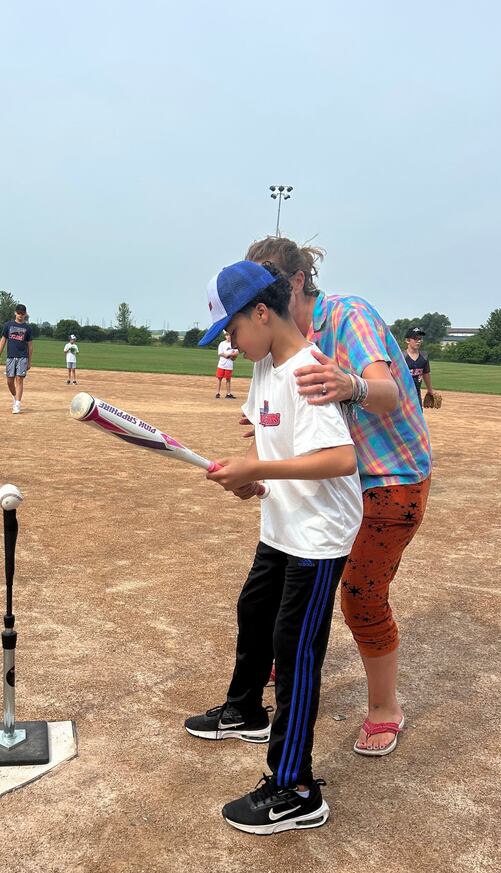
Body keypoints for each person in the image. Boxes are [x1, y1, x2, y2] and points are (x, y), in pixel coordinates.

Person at [185, 261, 363, 834]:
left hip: (318, 535)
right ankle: (245, 710)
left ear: (261, 312)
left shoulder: (306, 370)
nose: (231, 345)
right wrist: (254, 480)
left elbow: (339, 459)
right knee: (253, 612)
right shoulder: (266, 366)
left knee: (296, 651)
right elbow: (274, 442)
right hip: (282, 522)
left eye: (232, 330)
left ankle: (295, 788)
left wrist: (259, 466)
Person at [242, 236, 432, 757]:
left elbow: (392, 395)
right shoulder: (281, 342)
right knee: (293, 573)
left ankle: (384, 708)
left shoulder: (347, 315)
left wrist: (349, 384)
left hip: (389, 477)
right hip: (336, 481)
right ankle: (295, 659)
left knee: (361, 596)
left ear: (297, 281)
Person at [0, 303, 33, 414]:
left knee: (19, 379)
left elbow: (30, 346)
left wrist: (29, 361)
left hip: (22, 357)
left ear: (25, 314)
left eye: (22, 313)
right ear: (15, 313)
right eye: (18, 313)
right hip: (11, 356)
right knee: (9, 381)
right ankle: (14, 396)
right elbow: (3, 340)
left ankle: (17, 404)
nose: (20, 315)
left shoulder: (27, 328)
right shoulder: (8, 325)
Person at [403, 327, 435, 409]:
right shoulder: (401, 356)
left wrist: (430, 390)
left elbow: (426, 374)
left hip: (417, 395)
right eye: (415, 339)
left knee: (418, 419)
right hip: (402, 396)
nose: (418, 341)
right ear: (407, 340)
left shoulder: (424, 357)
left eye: (420, 339)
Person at [215, 330, 238, 398]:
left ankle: (228, 394)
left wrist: (230, 354)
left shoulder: (234, 344)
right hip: (221, 364)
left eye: (230, 335)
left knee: (228, 379)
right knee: (219, 378)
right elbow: (220, 353)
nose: (229, 337)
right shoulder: (222, 343)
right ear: (225, 336)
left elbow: (236, 353)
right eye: (227, 335)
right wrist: (229, 355)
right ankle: (217, 393)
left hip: (229, 365)